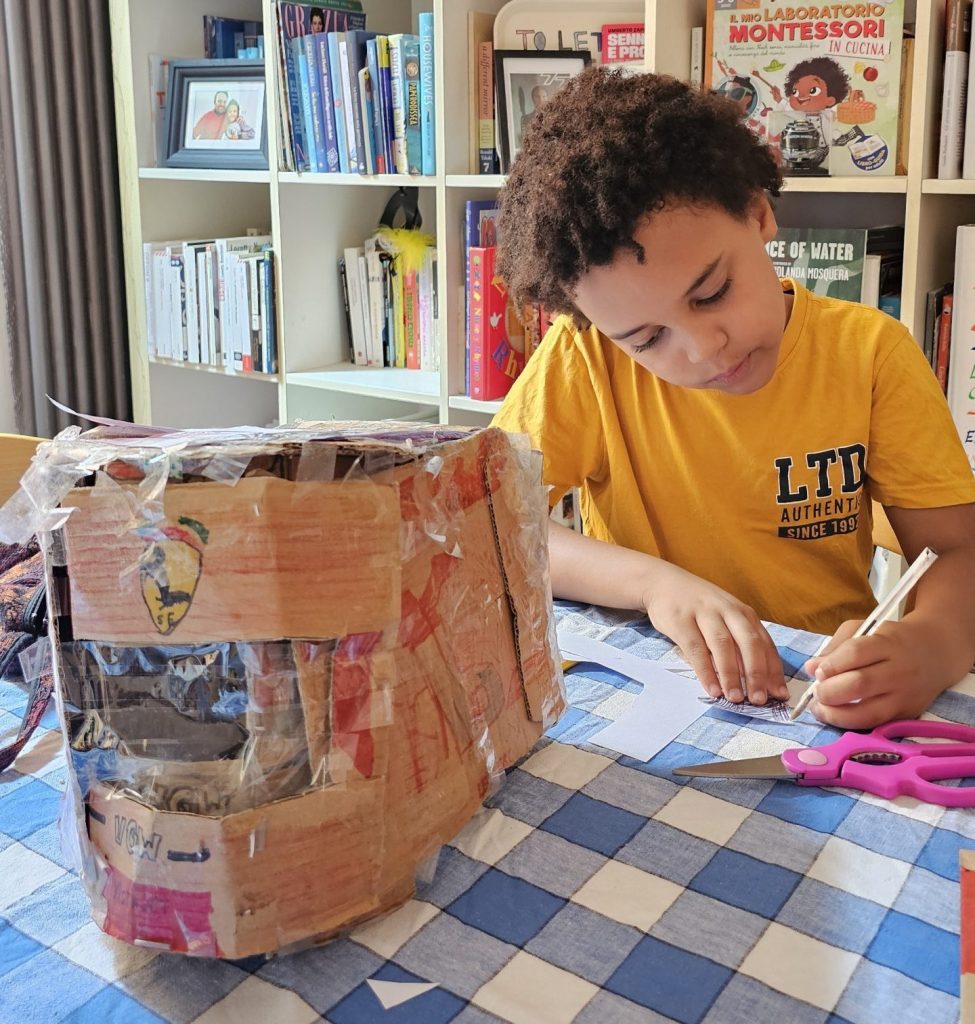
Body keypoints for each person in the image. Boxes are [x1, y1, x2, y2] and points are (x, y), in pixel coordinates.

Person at [491, 67, 975, 729]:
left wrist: (930, 644)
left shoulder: (868, 353)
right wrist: (653, 586)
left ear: (758, 213)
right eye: (646, 338)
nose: (703, 349)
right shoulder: (585, 358)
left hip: (823, 692)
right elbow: (494, 524)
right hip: (653, 684)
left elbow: (955, 551)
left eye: (711, 293)